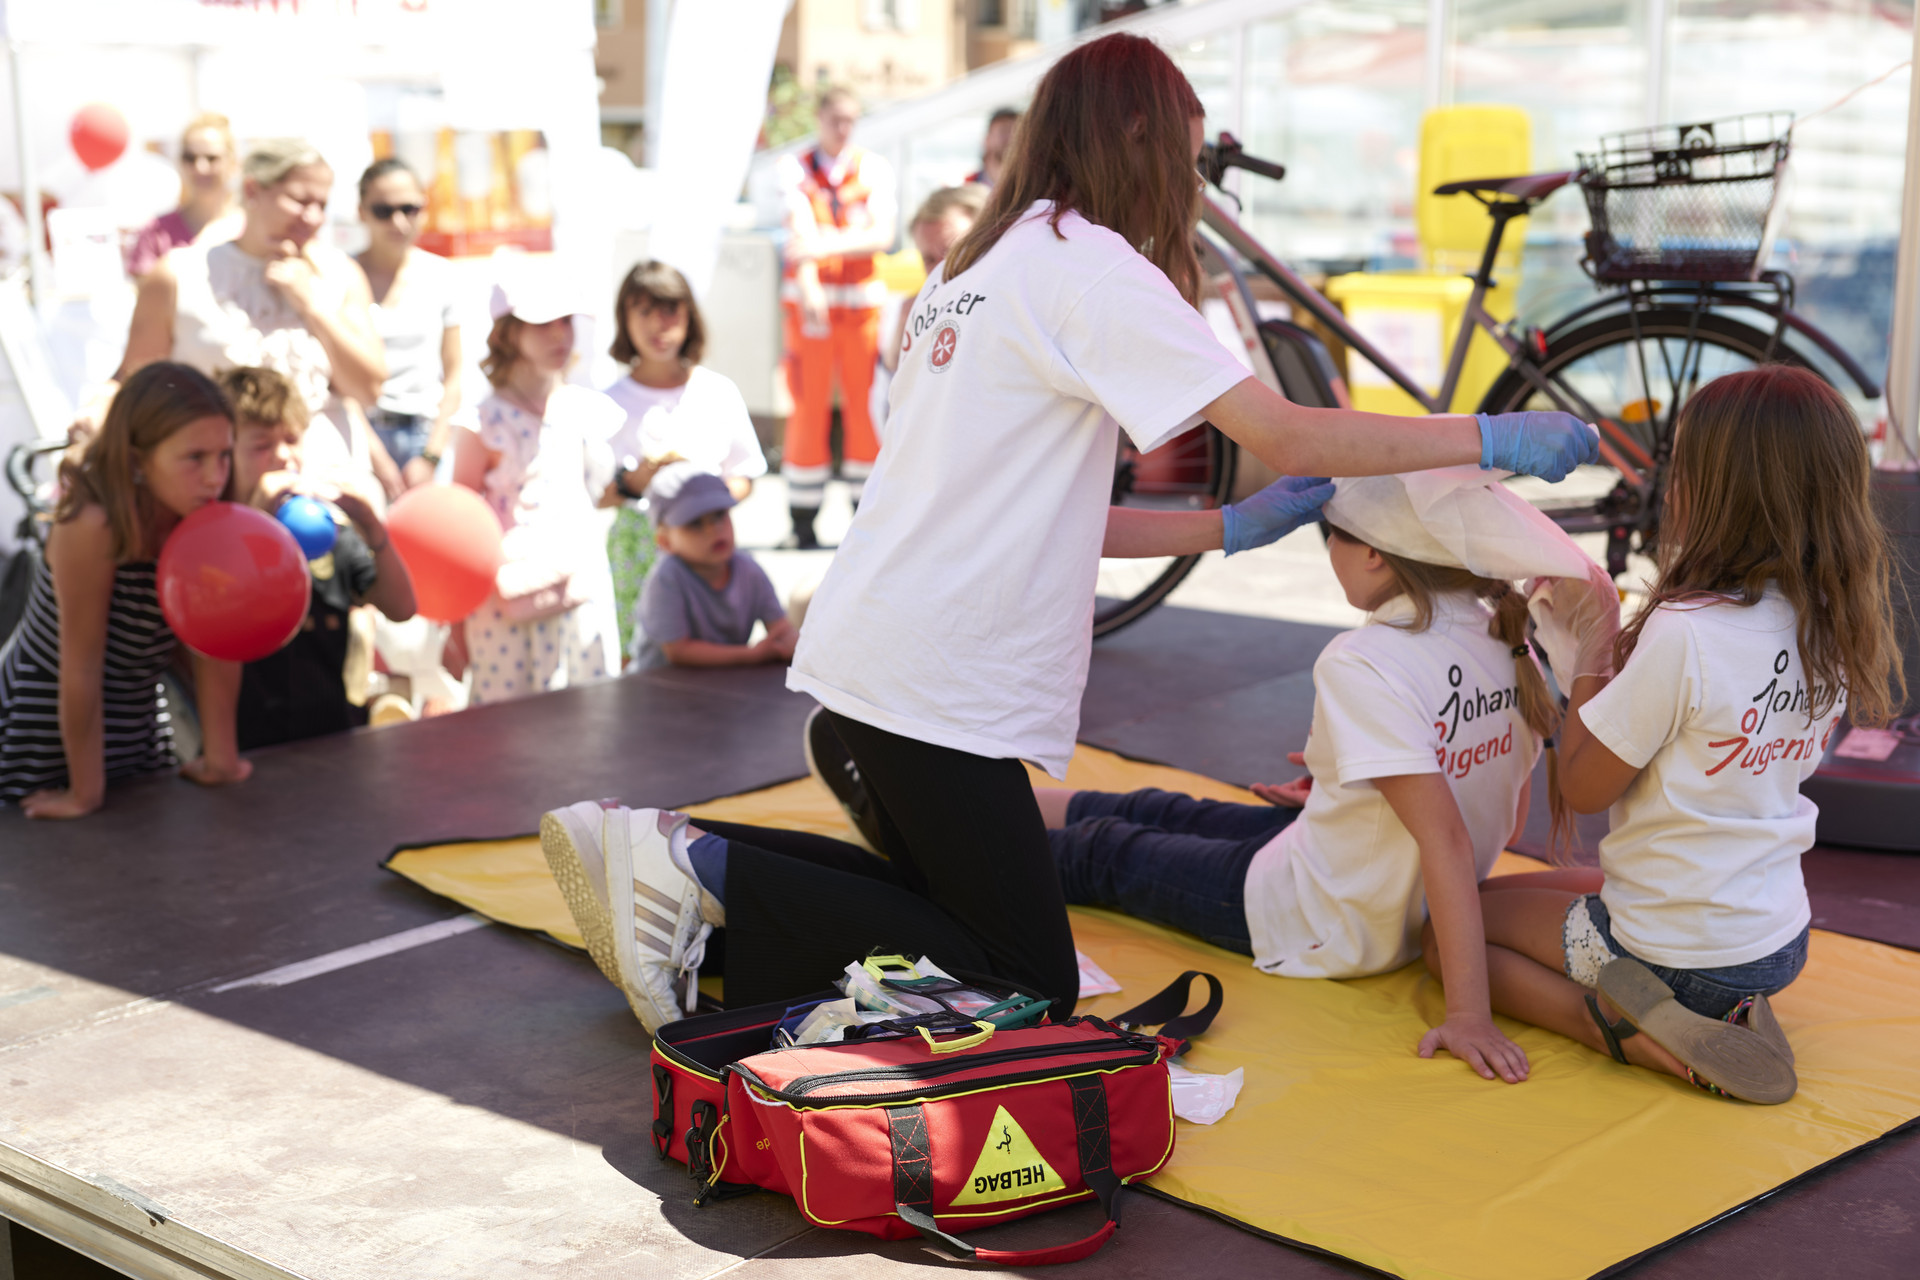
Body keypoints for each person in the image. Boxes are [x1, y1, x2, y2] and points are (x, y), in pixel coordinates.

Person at [540, 33, 1595, 1030]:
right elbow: (1285, 430)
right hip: (937, 680)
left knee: (942, 912)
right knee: (1024, 978)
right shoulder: (1088, 265)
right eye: (1184, 161)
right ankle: (698, 865)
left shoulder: (970, 267)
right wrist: (1486, 435)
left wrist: (1226, 527)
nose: (1191, 189)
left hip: (882, 647)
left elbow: (1037, 511)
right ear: (1134, 137)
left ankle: (679, 873)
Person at [1027, 468, 1595, 1084]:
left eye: (1332, 536)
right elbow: (1490, 798)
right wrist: (1341, 787)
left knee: (1103, 851)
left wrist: (1469, 1016)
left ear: (1373, 553)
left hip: (1322, 919)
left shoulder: (1368, 659)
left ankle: (953, 853)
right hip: (1367, 881)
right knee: (1158, 809)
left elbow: (1447, 839)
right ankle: (996, 804)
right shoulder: (1501, 632)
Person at [1465, 366, 1905, 1105]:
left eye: (1682, 468)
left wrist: (1590, 649)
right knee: (1514, 891)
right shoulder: (1832, 616)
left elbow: (1584, 787)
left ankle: (1628, 1031)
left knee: (1454, 929)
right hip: (1776, 937)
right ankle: (1721, 1010)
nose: (1669, 489)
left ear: (1717, 491)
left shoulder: (1689, 630)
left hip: (1681, 953)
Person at [0, 363, 250, 817]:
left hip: (135, 717)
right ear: (137, 460)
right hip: (45, 723)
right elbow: (81, 666)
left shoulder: (203, 519)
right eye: (195, 458)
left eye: (224, 455)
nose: (215, 476)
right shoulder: (93, 524)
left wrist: (221, 760)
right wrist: (83, 794)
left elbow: (215, 648)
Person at [104, 138, 393, 504]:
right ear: (253, 190)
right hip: (219, 489)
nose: (313, 217)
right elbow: (134, 380)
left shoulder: (340, 274)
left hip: (325, 485)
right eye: (300, 200)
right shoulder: (180, 275)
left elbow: (369, 388)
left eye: (321, 205)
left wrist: (312, 306)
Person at [216, 367, 416, 749]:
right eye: (261, 445)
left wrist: (371, 526)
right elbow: (225, 616)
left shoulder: (326, 532)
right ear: (225, 456)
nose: (283, 456)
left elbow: (402, 607)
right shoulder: (216, 538)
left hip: (333, 739)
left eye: (292, 440)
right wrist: (258, 519)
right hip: (252, 747)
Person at [449, 273, 622, 706]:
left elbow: (598, 491)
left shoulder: (581, 407)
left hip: (579, 585)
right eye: (544, 323)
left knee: (588, 716)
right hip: (508, 599)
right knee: (512, 726)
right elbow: (459, 526)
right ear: (509, 333)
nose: (560, 334)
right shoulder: (483, 422)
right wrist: (454, 626)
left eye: (566, 321)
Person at [601, 260, 766, 658]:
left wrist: (704, 502)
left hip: (709, 552)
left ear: (690, 316)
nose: (658, 325)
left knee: (711, 656)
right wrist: (633, 482)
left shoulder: (717, 391)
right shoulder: (608, 403)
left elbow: (745, 474)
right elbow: (594, 494)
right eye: (644, 311)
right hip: (636, 552)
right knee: (641, 661)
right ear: (624, 319)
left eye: (670, 310)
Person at [776, 86, 896, 549]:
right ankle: (802, 519)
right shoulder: (795, 167)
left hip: (862, 310)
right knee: (807, 409)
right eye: (835, 119)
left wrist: (821, 246)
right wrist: (810, 280)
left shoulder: (873, 168)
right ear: (819, 117)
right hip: (811, 312)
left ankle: (866, 516)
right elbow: (797, 233)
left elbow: (882, 236)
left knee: (865, 408)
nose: (843, 129)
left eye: (851, 119)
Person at [354, 158, 462, 490]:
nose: (398, 221)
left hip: (425, 435)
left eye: (409, 208)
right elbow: (338, 380)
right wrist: (376, 456)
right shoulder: (343, 274)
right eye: (383, 210)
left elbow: (455, 374)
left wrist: (431, 455)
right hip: (361, 433)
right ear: (361, 212)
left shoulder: (441, 275)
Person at [630, 464, 794, 671]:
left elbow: (781, 628)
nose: (713, 529)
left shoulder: (749, 570)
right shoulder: (668, 577)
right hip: (660, 683)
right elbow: (678, 651)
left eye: (719, 515)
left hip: (725, 680)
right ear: (665, 541)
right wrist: (751, 655)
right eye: (695, 523)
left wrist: (790, 643)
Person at [882, 185, 987, 375]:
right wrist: (905, 326)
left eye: (953, 254)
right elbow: (895, 374)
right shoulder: (914, 309)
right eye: (930, 260)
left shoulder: (1010, 305)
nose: (941, 271)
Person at [124, 113, 243, 280]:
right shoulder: (156, 233)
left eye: (211, 158)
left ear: (233, 163)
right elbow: (143, 292)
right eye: (190, 158)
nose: (200, 167)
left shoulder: (250, 229)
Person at [966, 107, 1021, 188]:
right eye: (1004, 131)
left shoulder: (1030, 185)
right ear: (986, 140)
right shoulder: (968, 186)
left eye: (1018, 132)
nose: (1012, 138)